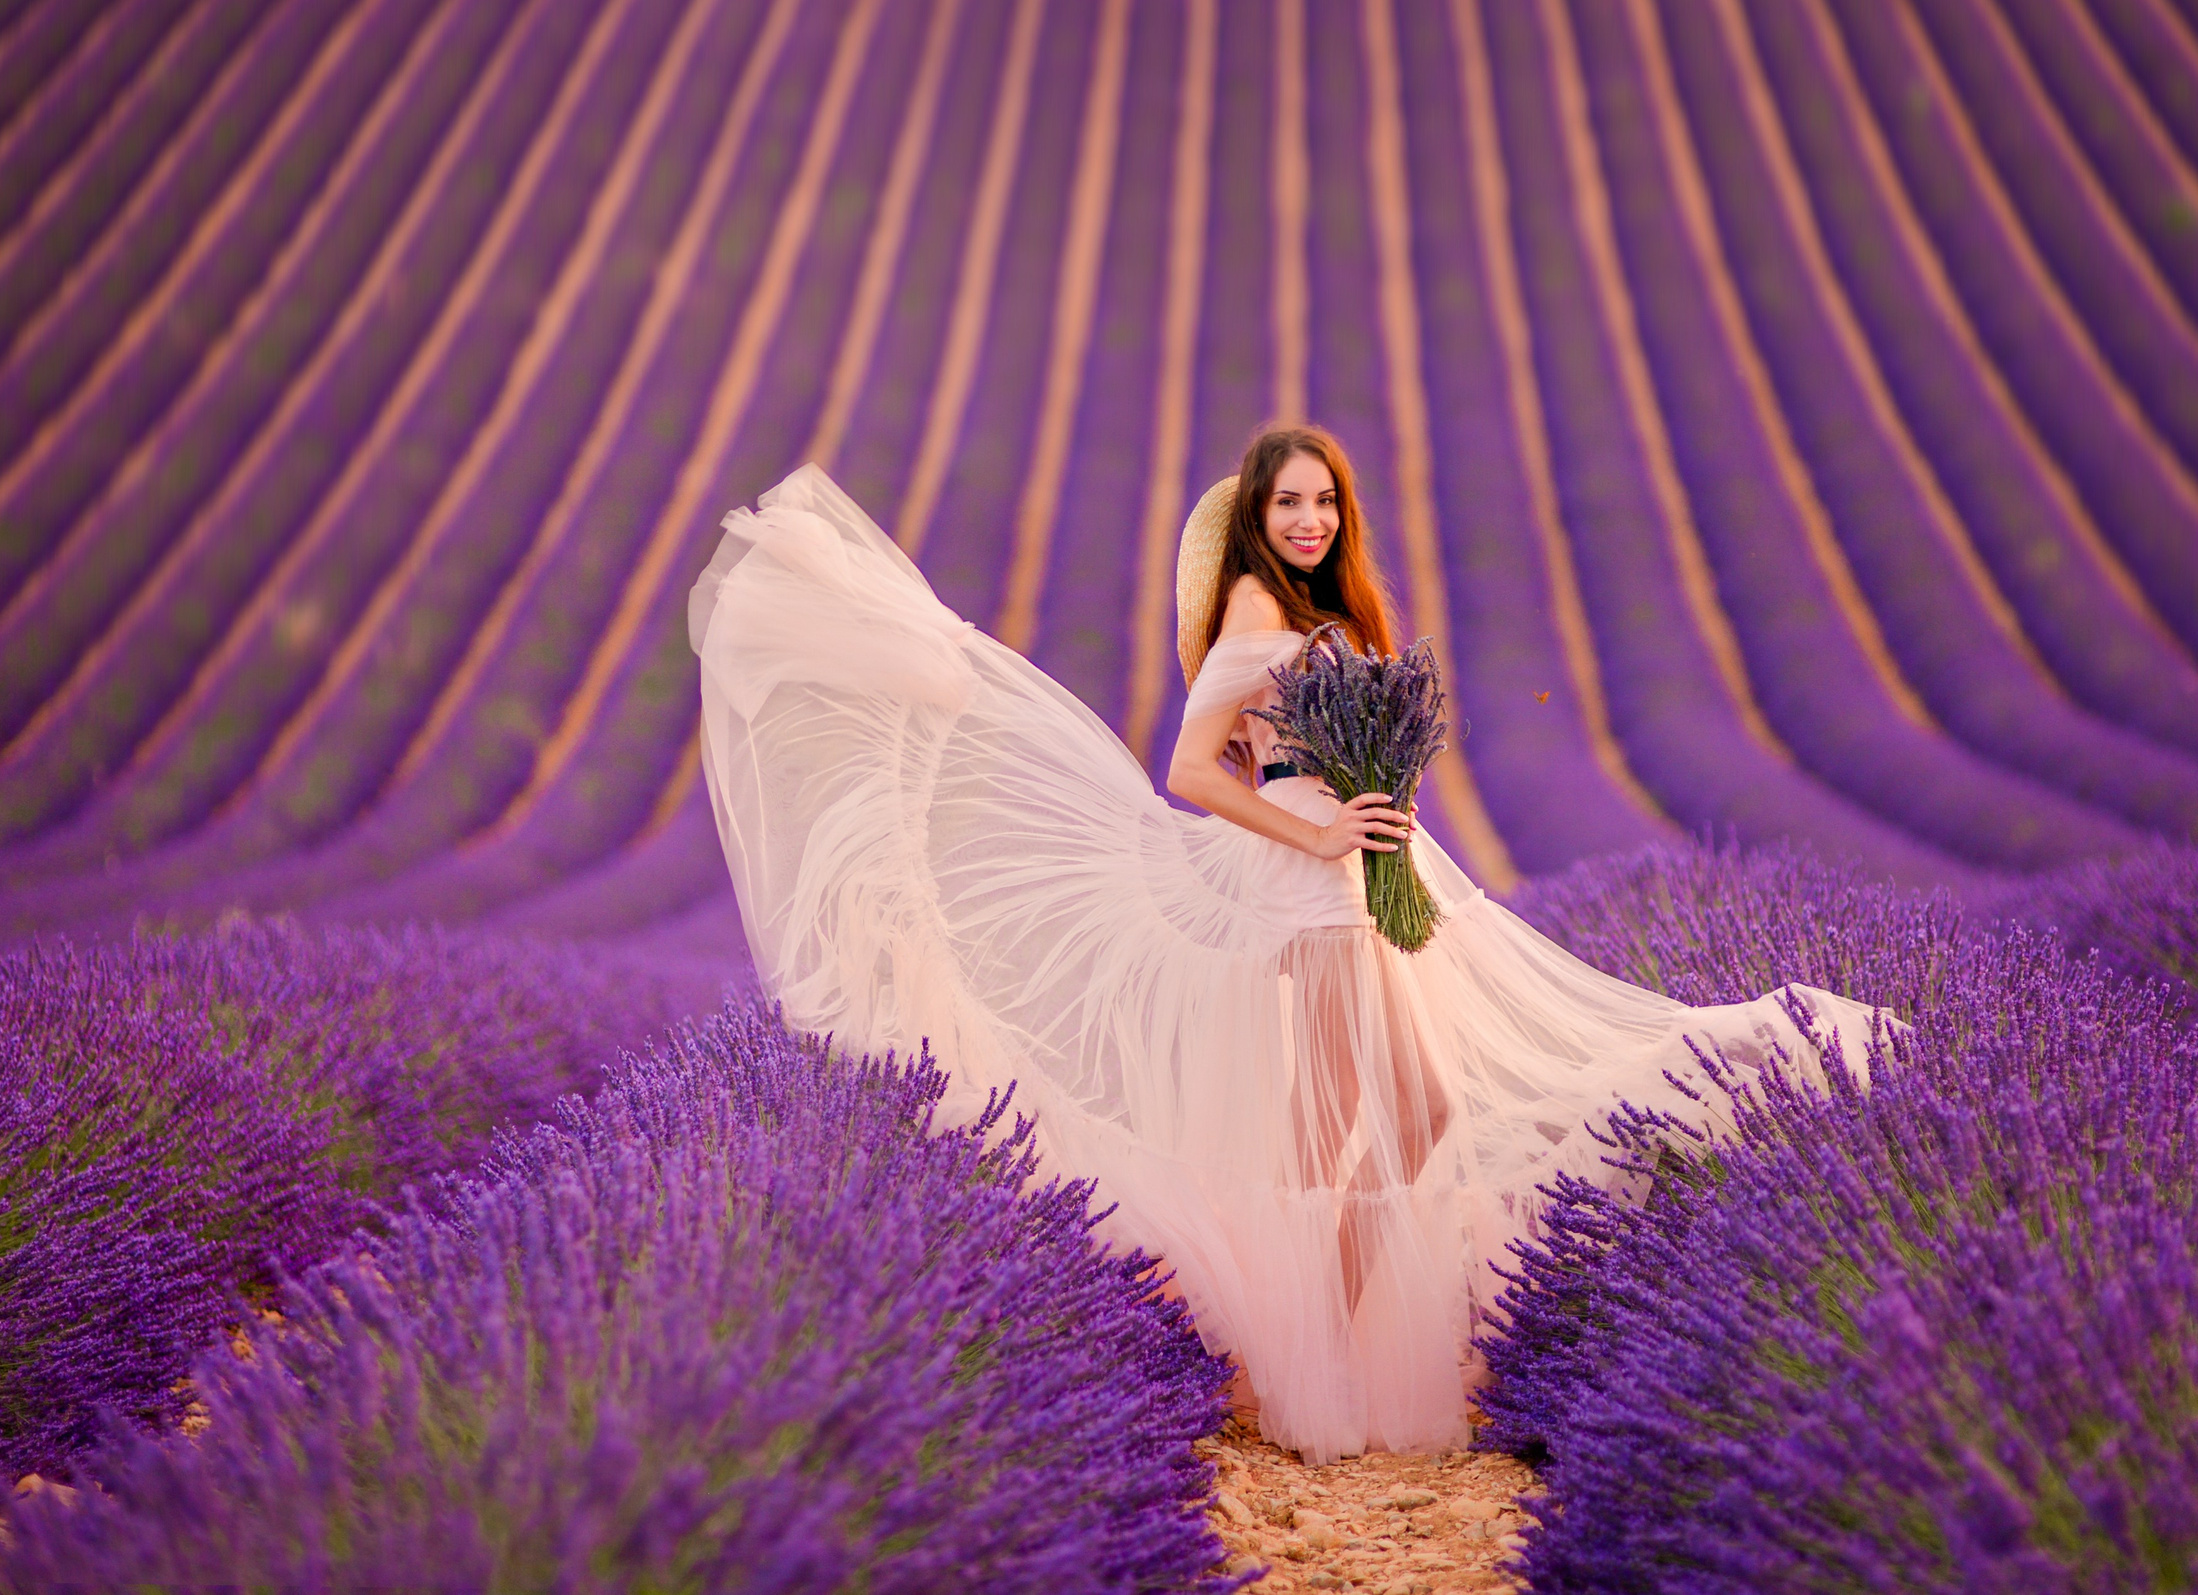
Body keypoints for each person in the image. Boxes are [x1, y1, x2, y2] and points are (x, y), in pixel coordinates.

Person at [689, 423, 1886, 1464]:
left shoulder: (1327, 612)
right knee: (1373, 1120)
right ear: (1255, 520)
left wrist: (1375, 809)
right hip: (1308, 889)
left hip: (1362, 876)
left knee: (1384, 1120)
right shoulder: (1260, 609)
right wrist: (1313, 837)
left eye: (1323, 501)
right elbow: (1190, 767)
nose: (1308, 519)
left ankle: (1310, 1356)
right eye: (1287, 502)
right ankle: (1308, 1369)